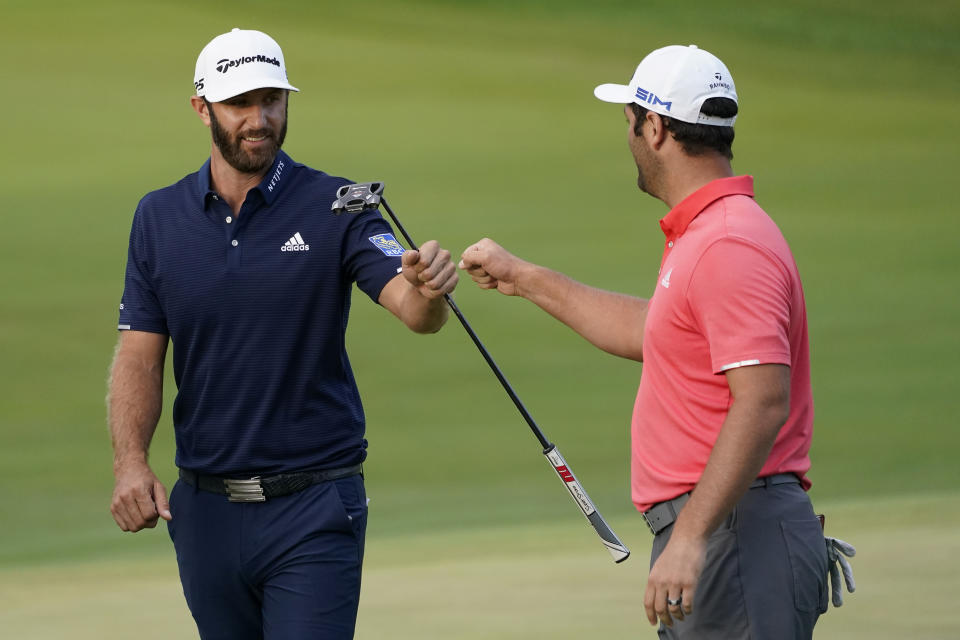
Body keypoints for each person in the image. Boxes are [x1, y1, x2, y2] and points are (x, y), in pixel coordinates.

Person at [460, 45, 846, 638]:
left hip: (733, 532)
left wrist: (692, 537)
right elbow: (654, 333)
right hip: (730, 527)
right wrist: (524, 279)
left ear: (657, 127)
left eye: (631, 121)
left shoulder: (725, 244)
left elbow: (763, 399)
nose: (630, 137)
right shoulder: (709, 233)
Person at [108, 28, 458, 639]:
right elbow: (140, 354)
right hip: (206, 511)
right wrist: (130, 463)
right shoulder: (157, 218)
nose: (259, 118)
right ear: (202, 109)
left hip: (314, 505)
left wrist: (429, 291)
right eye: (240, 103)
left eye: (272, 100)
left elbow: (413, 309)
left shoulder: (337, 205)